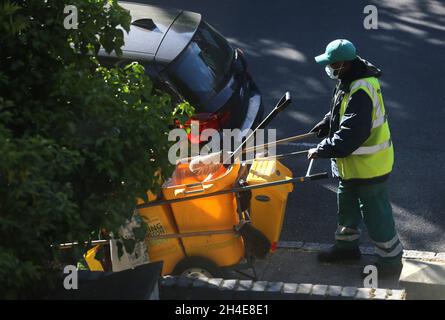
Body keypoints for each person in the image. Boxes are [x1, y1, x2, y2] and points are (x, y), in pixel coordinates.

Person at [309, 39, 403, 277]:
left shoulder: (362, 89)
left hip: (369, 167)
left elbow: (352, 133)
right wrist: (327, 123)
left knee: (376, 216)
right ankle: (346, 248)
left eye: (333, 64)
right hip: (352, 167)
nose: (329, 68)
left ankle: (390, 263)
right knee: (347, 208)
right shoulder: (348, 79)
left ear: (345, 64)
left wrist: (323, 148)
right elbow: (340, 109)